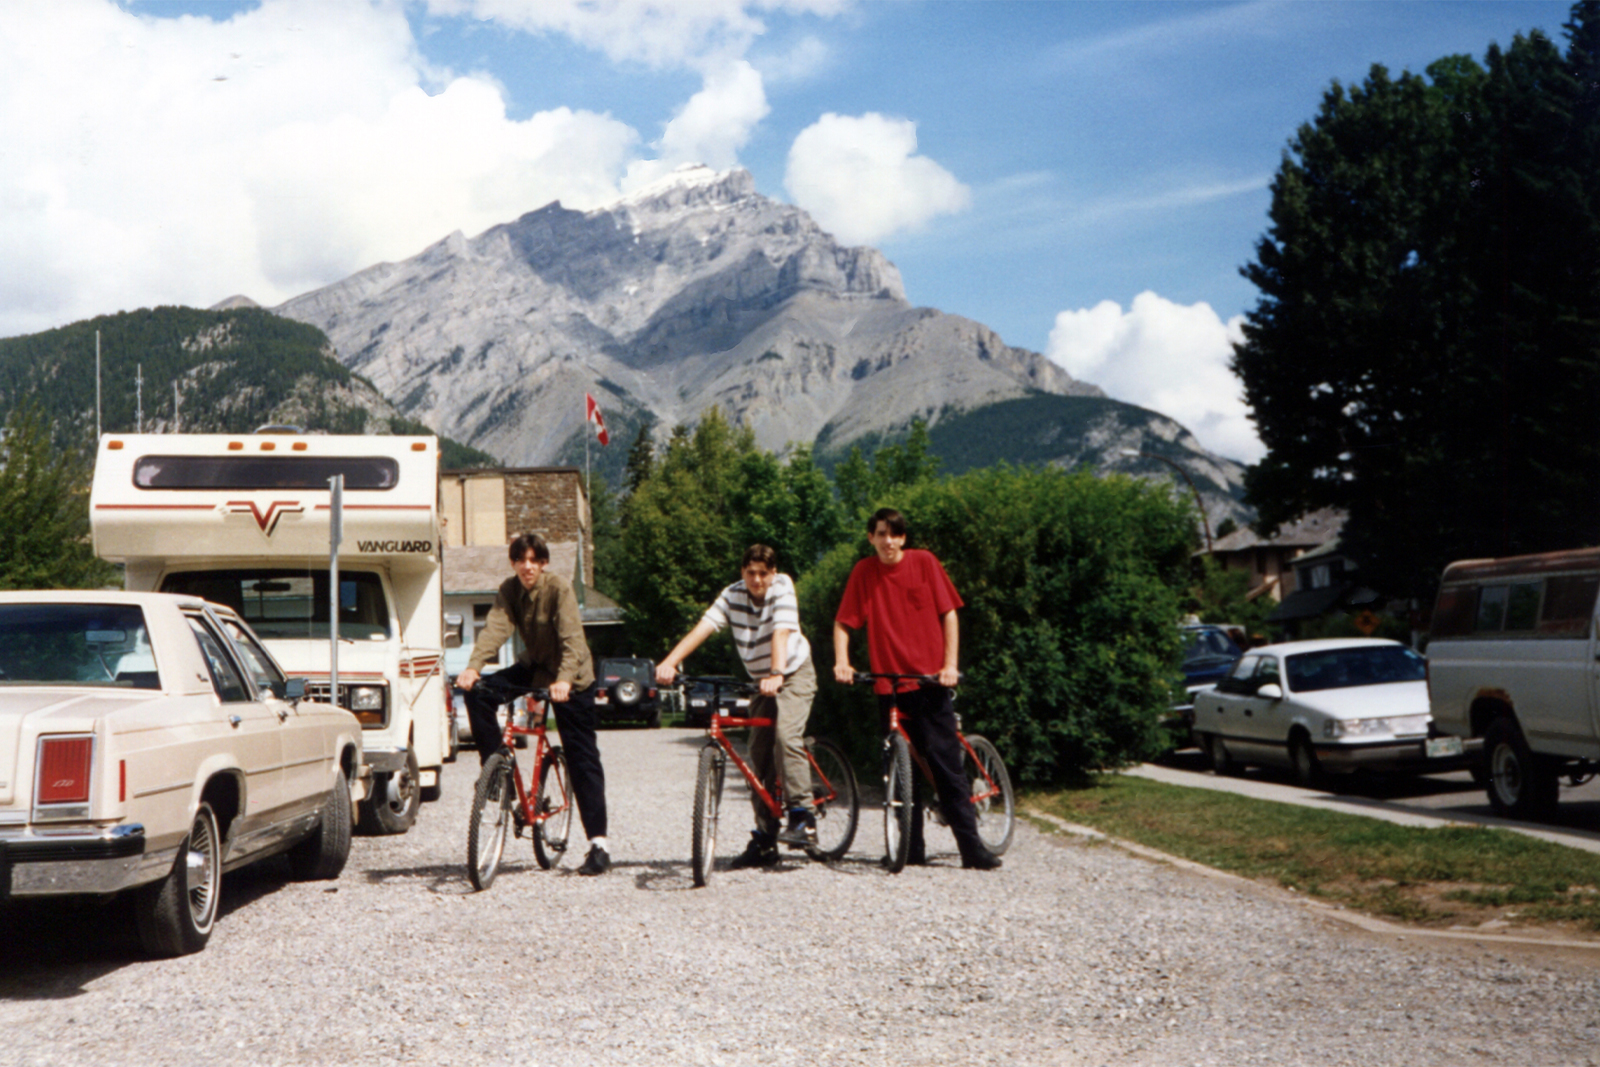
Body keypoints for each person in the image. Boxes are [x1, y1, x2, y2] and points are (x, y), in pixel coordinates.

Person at [832, 508, 1001, 871]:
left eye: (894, 534)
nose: (887, 541)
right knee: (898, 764)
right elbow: (844, 622)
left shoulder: (924, 563)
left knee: (945, 765)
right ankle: (911, 849)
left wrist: (950, 665)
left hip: (929, 681)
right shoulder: (864, 572)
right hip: (887, 685)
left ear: (903, 538)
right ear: (871, 538)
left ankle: (972, 849)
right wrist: (842, 661)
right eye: (880, 534)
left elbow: (949, 613)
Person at [456, 533, 612, 876]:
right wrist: (473, 667)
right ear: (513, 563)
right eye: (520, 560)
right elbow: (495, 629)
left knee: (581, 756)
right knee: (478, 693)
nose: (527, 567)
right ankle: (496, 774)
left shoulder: (558, 589)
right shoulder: (509, 590)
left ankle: (599, 845)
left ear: (543, 563)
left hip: (573, 678)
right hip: (537, 667)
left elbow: (573, 640)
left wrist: (565, 680)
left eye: (533, 560)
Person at [656, 544, 819, 868]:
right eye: (750, 573)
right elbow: (704, 628)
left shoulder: (783, 586)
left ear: (772, 573)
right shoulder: (732, 594)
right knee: (758, 753)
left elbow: (781, 632)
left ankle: (804, 817)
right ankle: (765, 838)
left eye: (763, 573)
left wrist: (776, 672)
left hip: (793, 670)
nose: (756, 580)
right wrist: (670, 662)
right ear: (742, 573)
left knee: (786, 737)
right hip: (762, 680)